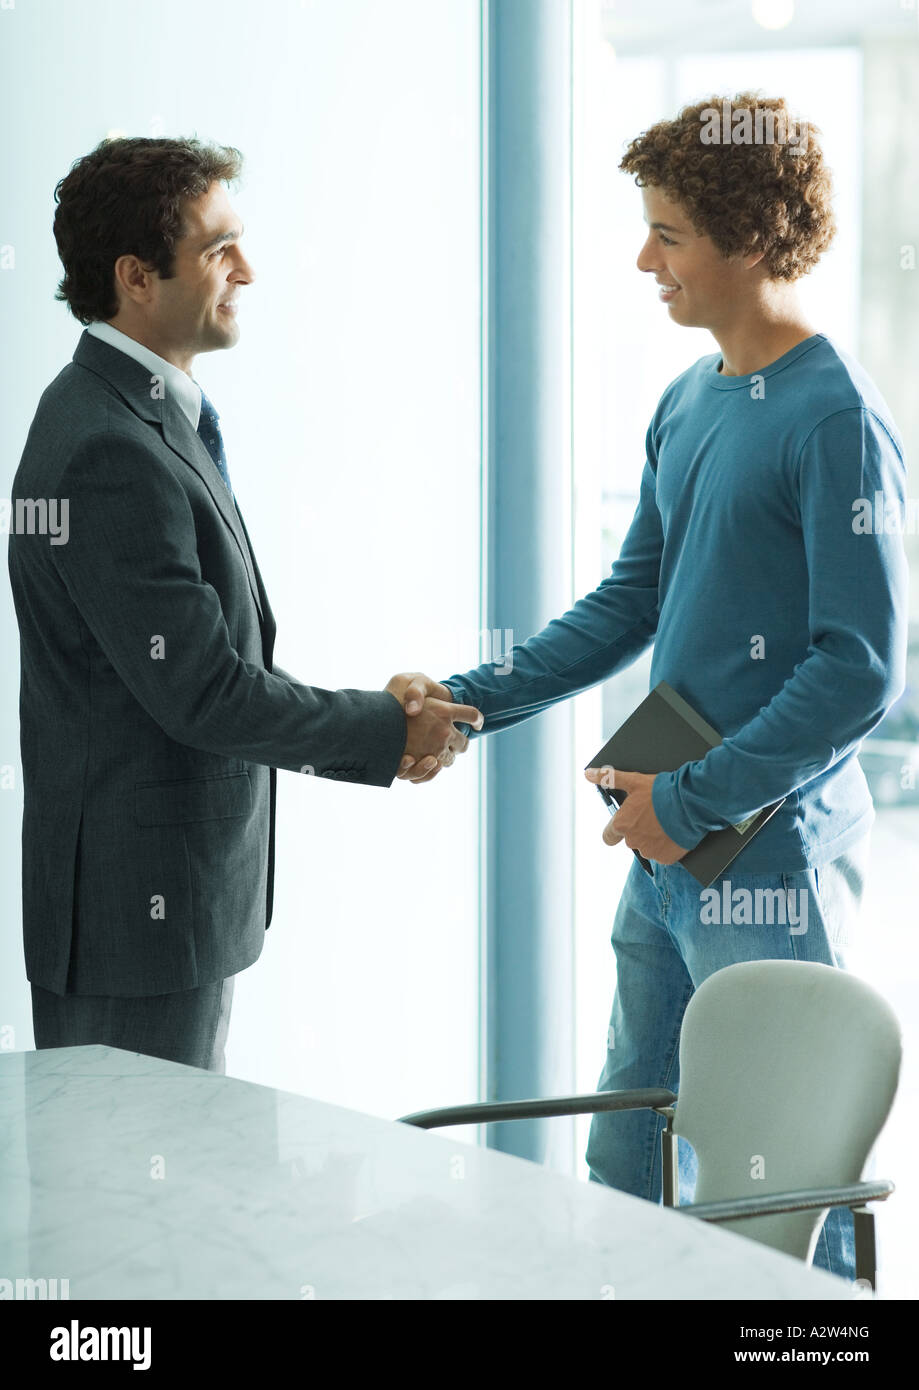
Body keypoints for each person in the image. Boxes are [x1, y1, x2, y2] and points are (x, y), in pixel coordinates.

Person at [389, 93, 908, 1283]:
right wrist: (468, 697)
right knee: (625, 1168)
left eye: (668, 233)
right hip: (667, 865)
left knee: (786, 1200)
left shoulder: (835, 423)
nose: (642, 259)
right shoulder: (687, 401)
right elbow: (628, 603)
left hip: (765, 873)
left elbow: (856, 669)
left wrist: (692, 801)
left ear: (752, 235)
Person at [8, 136, 481, 1075]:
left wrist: (386, 726)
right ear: (137, 277)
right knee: (144, 1208)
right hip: (135, 920)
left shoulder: (133, 416)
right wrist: (386, 729)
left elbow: (198, 670)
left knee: (154, 1197)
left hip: (160, 907)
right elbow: (206, 693)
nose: (248, 272)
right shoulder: (109, 449)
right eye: (220, 249)